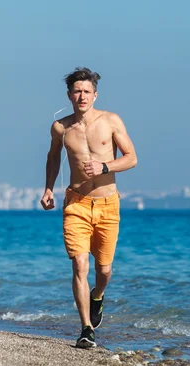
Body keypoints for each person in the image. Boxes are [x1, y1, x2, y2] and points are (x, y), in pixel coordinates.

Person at [41, 67, 138, 348]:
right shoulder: (60, 127)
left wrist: (104, 166)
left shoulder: (111, 121)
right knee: (80, 264)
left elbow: (132, 158)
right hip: (76, 204)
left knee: (104, 270)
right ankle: (86, 329)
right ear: (69, 95)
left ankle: (98, 295)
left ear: (95, 95)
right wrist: (48, 188)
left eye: (86, 91)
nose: (81, 96)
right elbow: (53, 158)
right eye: (77, 91)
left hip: (108, 205)